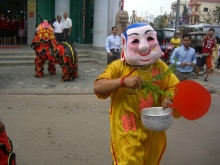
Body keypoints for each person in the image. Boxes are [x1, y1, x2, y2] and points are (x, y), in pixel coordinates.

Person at [94, 23, 180, 164]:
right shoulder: (118, 67)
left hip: (152, 127)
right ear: (125, 43)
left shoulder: (160, 67)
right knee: (129, 161)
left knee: (149, 161)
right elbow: (98, 87)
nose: (144, 46)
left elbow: (174, 87)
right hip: (126, 127)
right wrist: (122, 81)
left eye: (150, 39)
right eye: (135, 41)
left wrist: (168, 98)